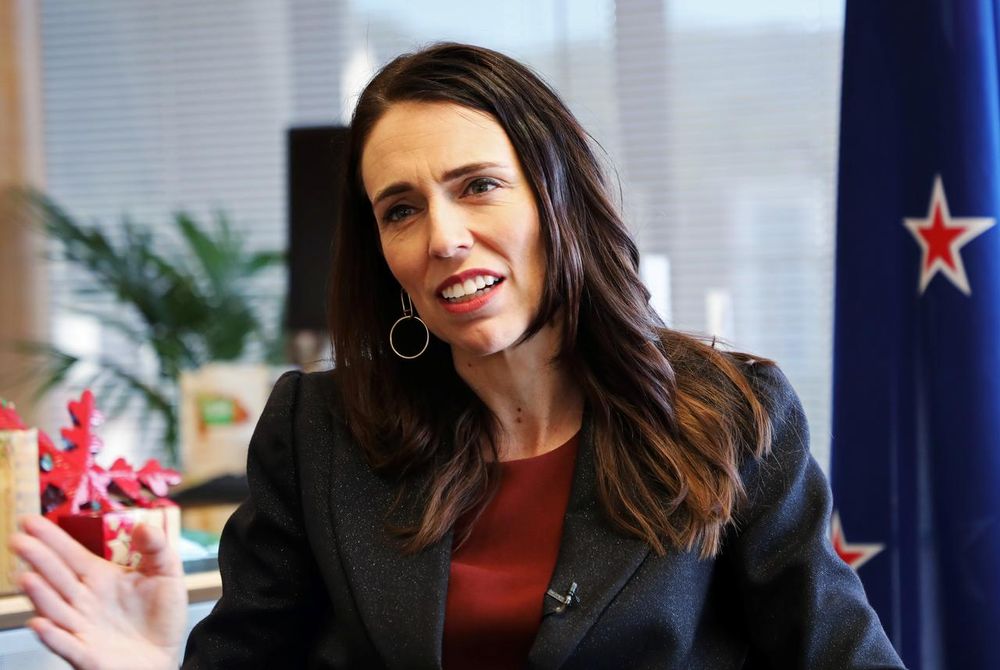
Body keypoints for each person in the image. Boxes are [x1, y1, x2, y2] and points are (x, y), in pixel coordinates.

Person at [10, 43, 905, 669]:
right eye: (400, 209)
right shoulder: (318, 432)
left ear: (560, 201)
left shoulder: (730, 413)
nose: (444, 238)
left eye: (477, 187)